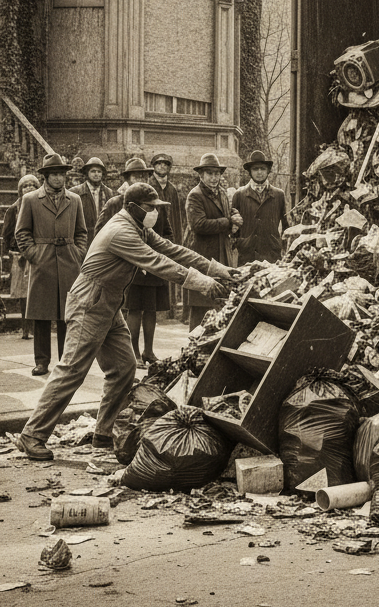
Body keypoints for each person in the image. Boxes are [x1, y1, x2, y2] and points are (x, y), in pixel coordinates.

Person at [14, 183, 235, 470]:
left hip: (109, 301)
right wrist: (204, 283)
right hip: (90, 302)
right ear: (132, 207)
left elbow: (173, 250)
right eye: (150, 207)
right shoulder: (121, 231)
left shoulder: (138, 227)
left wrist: (218, 270)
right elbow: (158, 263)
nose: (155, 212)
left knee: (123, 367)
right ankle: (32, 434)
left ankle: (104, 433)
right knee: (72, 369)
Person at [15, 153, 88, 376]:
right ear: (45, 176)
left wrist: (78, 253)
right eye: (53, 174)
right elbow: (22, 232)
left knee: (68, 314)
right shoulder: (30, 199)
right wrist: (34, 254)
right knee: (41, 314)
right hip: (42, 261)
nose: (58, 178)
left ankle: (66, 360)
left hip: (69, 262)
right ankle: (41, 361)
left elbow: (81, 232)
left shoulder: (74, 200)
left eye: (61, 174)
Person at [94, 157, 164, 365]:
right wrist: (129, 253)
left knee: (151, 309)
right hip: (125, 266)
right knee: (132, 310)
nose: (139, 179)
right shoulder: (115, 203)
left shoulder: (152, 202)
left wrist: (151, 253)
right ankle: (133, 353)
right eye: (135, 176)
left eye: (143, 176)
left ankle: (148, 351)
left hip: (151, 262)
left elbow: (165, 233)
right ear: (127, 178)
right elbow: (101, 233)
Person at [185, 153, 242, 330]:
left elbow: (226, 213)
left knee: (220, 308)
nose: (214, 177)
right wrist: (228, 222)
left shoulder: (222, 193)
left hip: (222, 257)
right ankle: (194, 344)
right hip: (203, 257)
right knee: (200, 308)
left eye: (217, 173)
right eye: (209, 173)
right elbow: (198, 225)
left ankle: (212, 345)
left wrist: (234, 215)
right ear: (201, 175)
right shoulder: (195, 195)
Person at [231, 150, 289, 265]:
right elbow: (233, 227)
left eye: (262, 169)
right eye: (255, 169)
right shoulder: (239, 195)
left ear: (268, 171)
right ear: (250, 171)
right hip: (247, 254)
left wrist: (280, 245)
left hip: (271, 254)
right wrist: (241, 243)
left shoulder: (279, 195)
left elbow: (286, 225)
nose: (259, 172)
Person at [2, 173, 41, 340]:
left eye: (32, 185)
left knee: (38, 292)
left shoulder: (42, 206)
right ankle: (26, 328)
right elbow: (6, 234)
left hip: (39, 254)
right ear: (20, 190)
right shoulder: (13, 209)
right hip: (20, 256)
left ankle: (36, 328)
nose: (29, 188)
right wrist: (9, 253)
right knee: (24, 295)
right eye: (25, 186)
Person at [150, 152, 186, 322]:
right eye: (159, 164)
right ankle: (155, 312)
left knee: (170, 271)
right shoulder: (149, 187)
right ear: (154, 167)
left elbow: (177, 217)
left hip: (169, 238)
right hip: (153, 237)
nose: (162, 166)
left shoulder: (172, 189)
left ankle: (169, 310)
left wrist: (177, 241)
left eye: (165, 164)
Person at [72, 156, 110, 231]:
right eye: (93, 171)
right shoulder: (75, 192)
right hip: (83, 234)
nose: (96, 174)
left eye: (99, 172)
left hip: (103, 233)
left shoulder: (108, 193)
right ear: (87, 173)